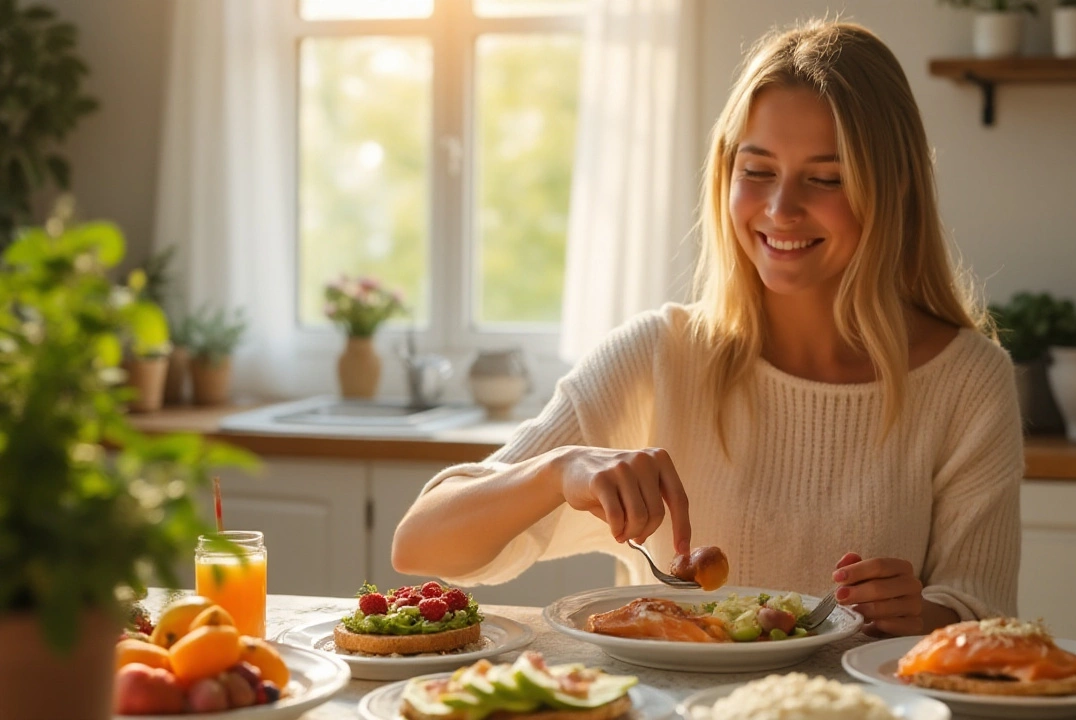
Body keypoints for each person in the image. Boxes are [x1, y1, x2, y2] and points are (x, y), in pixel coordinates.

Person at [392, 19, 1023, 637]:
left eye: (826, 178)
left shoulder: (969, 380)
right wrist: (558, 469)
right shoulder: (658, 355)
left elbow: (983, 613)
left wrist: (919, 614)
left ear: (895, 188)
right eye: (757, 170)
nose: (780, 209)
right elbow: (420, 544)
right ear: (726, 173)